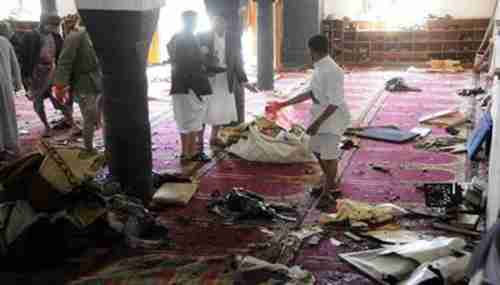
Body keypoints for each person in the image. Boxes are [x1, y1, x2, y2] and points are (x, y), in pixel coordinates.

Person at [268, 35, 351, 193]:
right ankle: (329, 179)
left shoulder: (333, 71)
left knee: (329, 155)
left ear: (312, 50)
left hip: (333, 118)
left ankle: (328, 192)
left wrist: (317, 123)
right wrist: (282, 104)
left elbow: (335, 103)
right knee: (315, 149)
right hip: (321, 113)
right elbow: (309, 93)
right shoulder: (320, 66)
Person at [198, 12, 256, 148]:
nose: (220, 24)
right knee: (203, 108)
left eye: (222, 22)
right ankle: (199, 139)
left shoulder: (233, 38)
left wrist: (244, 81)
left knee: (220, 108)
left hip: (225, 78)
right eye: (217, 21)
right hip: (208, 78)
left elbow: (237, 60)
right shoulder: (202, 36)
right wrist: (204, 70)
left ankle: (214, 137)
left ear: (226, 24)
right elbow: (196, 59)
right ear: (212, 21)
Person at [167, 10, 212, 163]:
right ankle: (191, 153)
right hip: (191, 86)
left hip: (179, 85)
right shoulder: (189, 38)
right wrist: (203, 54)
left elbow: (176, 59)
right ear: (191, 22)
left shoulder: (175, 37)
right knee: (193, 120)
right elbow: (191, 63)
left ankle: (184, 152)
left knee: (183, 120)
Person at [53, 17, 101, 155]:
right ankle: (89, 148)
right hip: (84, 83)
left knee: (99, 116)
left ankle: (100, 144)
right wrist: (60, 86)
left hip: (98, 80)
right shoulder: (75, 36)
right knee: (89, 117)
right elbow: (64, 62)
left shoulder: (92, 33)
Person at [20, 14, 71, 137]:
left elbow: (60, 55)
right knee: (38, 102)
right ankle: (46, 126)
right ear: (44, 23)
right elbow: (24, 57)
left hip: (51, 70)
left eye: (56, 26)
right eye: (52, 25)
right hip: (36, 73)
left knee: (56, 98)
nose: (54, 28)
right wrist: (26, 76)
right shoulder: (31, 36)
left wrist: (63, 74)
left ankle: (71, 121)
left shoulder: (56, 36)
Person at [0, 26, 24, 162]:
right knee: (7, 114)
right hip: (5, 84)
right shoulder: (4, 41)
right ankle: (10, 144)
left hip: (5, 83)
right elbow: (15, 64)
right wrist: (18, 83)